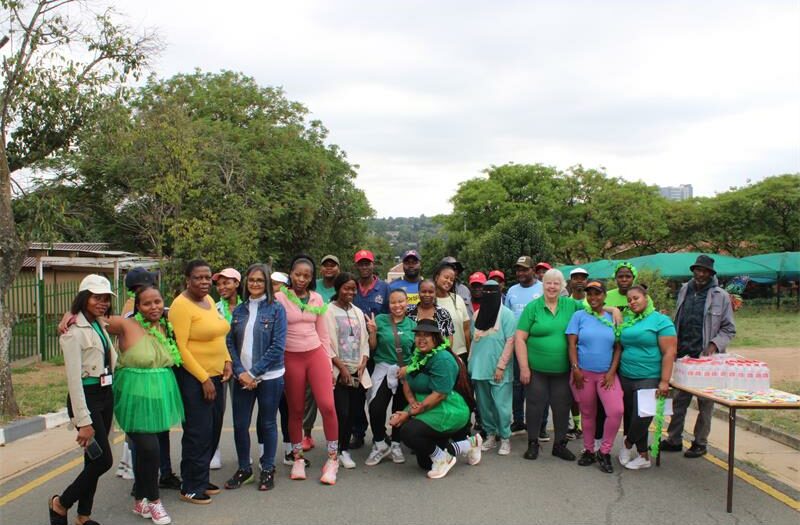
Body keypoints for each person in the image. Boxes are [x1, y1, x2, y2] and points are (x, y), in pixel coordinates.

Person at [111, 285, 184, 524]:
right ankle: (154, 501)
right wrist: (70, 316)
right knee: (151, 450)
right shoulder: (126, 325)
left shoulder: (165, 325)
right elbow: (93, 319)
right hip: (134, 397)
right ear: (137, 306)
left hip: (159, 397)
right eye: (147, 303)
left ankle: (140, 500)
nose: (153, 307)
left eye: (157, 302)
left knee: (145, 452)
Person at [50, 275, 117, 525]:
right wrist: (84, 421)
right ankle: (61, 503)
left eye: (106, 298)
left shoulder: (99, 323)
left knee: (93, 459)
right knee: (104, 461)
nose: (102, 303)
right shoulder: (72, 332)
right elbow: (74, 381)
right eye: (96, 297)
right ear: (84, 298)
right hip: (87, 400)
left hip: (105, 395)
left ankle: (83, 516)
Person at [169, 260, 232, 504]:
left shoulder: (208, 301)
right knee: (198, 432)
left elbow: (218, 335)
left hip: (216, 376)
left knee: (213, 428)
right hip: (195, 378)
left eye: (207, 277)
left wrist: (227, 360)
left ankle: (201, 478)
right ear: (188, 280)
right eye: (198, 278)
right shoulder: (181, 306)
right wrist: (204, 378)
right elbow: (181, 348)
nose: (204, 282)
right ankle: (190, 486)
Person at [275, 255, 340, 484]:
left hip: (315, 355)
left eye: (306, 275)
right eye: (298, 274)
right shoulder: (279, 298)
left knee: (327, 406)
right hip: (291, 357)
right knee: (296, 410)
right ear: (290, 274)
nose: (301, 279)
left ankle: (332, 459)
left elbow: (323, 334)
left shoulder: (316, 298)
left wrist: (329, 365)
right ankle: (298, 458)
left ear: (312, 277)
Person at [662, 255, 736, 458]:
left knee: (705, 404)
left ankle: (700, 442)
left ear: (711, 274)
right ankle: (674, 439)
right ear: (693, 271)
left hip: (706, 360)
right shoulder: (684, 289)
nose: (701, 274)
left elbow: (729, 329)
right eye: (698, 270)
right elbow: (678, 320)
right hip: (683, 355)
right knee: (679, 401)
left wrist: (714, 344)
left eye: (705, 271)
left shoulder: (721, 296)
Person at [390, 319, 481, 479]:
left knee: (408, 432)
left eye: (426, 335)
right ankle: (469, 444)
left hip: (448, 408)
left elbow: (439, 395)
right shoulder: (417, 354)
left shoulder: (442, 359)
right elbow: (407, 380)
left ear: (436, 338)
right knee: (425, 463)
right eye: (418, 335)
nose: (421, 339)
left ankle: (443, 458)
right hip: (428, 407)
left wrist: (409, 413)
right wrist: (411, 404)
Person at [224, 263, 287, 492]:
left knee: (267, 423)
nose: (255, 284)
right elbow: (230, 342)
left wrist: (253, 373)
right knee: (240, 424)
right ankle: (245, 469)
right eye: (251, 280)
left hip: (269, 376)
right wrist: (241, 371)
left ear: (267, 283)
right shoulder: (239, 310)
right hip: (241, 377)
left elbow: (278, 346)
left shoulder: (277, 309)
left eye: (260, 280)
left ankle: (267, 468)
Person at [515, 269, 580, 462]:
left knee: (562, 407)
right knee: (534, 405)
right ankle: (533, 443)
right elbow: (520, 338)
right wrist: (524, 367)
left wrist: (612, 310)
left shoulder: (571, 305)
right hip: (536, 370)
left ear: (562, 287)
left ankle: (559, 445)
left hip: (563, 370)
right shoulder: (532, 307)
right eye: (548, 283)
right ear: (542, 285)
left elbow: (594, 309)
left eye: (556, 283)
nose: (552, 287)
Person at [617, 285, 677, 470]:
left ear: (646, 297)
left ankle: (627, 444)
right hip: (626, 375)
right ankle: (643, 455)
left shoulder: (661, 321)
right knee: (631, 415)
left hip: (649, 376)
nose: (632, 302)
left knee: (642, 416)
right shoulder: (628, 320)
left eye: (636, 298)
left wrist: (664, 381)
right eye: (629, 300)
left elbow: (669, 352)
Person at [566, 281, 623, 474]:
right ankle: (589, 450)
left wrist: (612, 372)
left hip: (606, 375)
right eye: (589, 294)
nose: (593, 297)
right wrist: (575, 369)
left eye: (597, 294)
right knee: (588, 413)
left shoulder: (613, 317)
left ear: (604, 295)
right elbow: (571, 344)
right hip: (584, 374)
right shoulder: (579, 316)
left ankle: (604, 451)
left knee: (616, 411)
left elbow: (618, 347)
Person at [364, 288, 415, 466]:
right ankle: (379, 443)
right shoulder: (380, 320)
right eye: (393, 302)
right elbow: (372, 346)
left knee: (399, 410)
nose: (397, 305)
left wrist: (409, 368)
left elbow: (417, 351)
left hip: (404, 372)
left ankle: (395, 444)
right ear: (388, 304)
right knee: (376, 408)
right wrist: (372, 332)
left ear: (407, 303)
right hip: (383, 369)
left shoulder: (412, 325)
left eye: (401, 301)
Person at [324, 272, 370, 469]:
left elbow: (365, 340)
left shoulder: (358, 311)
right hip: (337, 370)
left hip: (357, 370)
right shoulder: (328, 311)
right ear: (338, 288)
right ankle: (339, 450)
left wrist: (364, 361)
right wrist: (341, 368)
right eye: (346, 288)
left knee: (353, 411)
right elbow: (326, 343)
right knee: (341, 412)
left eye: (353, 288)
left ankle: (343, 448)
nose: (350, 292)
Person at [469, 280, 516, 456]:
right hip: (479, 368)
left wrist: (501, 366)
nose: (489, 295)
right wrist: (471, 364)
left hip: (499, 369)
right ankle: (490, 435)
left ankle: (505, 438)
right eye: (486, 292)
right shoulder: (477, 315)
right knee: (484, 406)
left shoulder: (507, 315)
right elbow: (474, 340)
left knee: (502, 406)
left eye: (492, 292)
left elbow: (510, 341)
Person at [351, 249, 390, 449]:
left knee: (376, 395)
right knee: (356, 394)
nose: (364, 267)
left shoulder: (384, 288)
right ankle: (358, 432)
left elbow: (391, 316)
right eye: (361, 263)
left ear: (373, 265)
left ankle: (379, 433)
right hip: (355, 350)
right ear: (356, 266)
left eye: (367, 263)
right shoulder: (352, 287)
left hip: (377, 350)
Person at [504, 256, 543, 437]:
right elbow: (507, 317)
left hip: (537, 345)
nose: (520, 273)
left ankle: (540, 425)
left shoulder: (542, 288)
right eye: (518, 269)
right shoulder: (512, 290)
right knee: (517, 385)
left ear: (533, 270)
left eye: (524, 269)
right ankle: (518, 421)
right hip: (516, 345)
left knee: (539, 387)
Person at [209, 267, 241, 471]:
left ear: (237, 283)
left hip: (240, 365)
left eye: (226, 282)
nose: (222, 287)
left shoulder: (246, 307)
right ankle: (214, 451)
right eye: (219, 284)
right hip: (219, 364)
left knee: (240, 412)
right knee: (217, 412)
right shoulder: (214, 308)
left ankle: (242, 453)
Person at [566, 267, 590, 440]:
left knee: (589, 392)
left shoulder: (594, 301)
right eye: (576, 278)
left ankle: (589, 424)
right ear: (570, 281)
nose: (579, 280)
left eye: (583, 278)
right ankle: (577, 425)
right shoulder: (565, 303)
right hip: (570, 351)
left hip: (590, 353)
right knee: (572, 391)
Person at [433, 263, 471, 358]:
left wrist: (469, 354)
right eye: (446, 277)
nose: (449, 281)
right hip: (438, 356)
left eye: (452, 280)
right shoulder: (429, 301)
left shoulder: (458, 299)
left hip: (460, 354)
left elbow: (466, 330)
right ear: (437, 277)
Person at [407, 279, 456, 344]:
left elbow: (449, 337)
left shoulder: (443, 314)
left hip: (439, 350)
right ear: (418, 293)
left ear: (435, 293)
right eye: (423, 291)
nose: (427, 294)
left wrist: (446, 350)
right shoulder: (408, 312)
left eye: (430, 292)